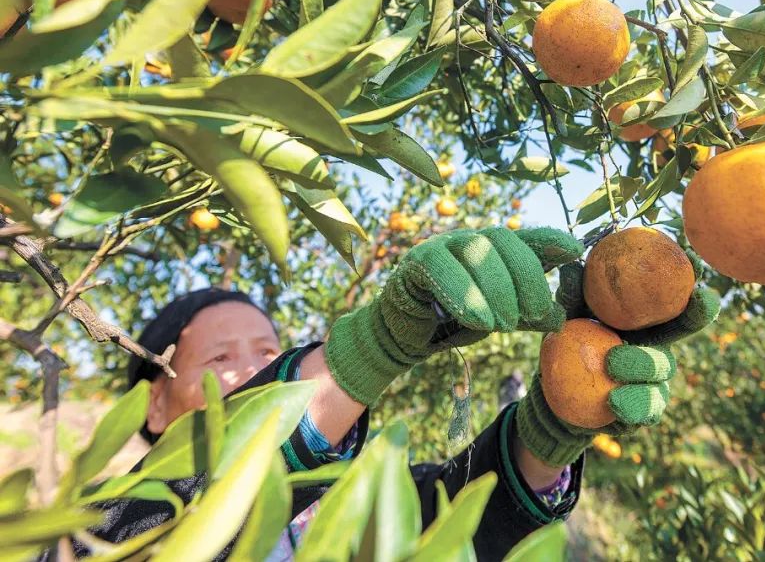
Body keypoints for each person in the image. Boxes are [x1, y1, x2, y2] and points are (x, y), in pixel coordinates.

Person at [67, 227, 718, 560]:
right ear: (153, 402)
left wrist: (550, 431)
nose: (254, 372)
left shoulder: (353, 503)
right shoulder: (92, 531)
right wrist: (367, 351)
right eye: (219, 358)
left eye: (270, 354)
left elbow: (463, 508)